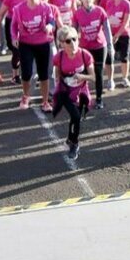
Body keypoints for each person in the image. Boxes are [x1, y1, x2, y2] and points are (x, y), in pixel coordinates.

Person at [50, 27, 96, 160]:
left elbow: (93, 77)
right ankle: (75, 145)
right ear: (61, 43)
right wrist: (63, 86)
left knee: (77, 118)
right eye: (68, 41)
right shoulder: (58, 57)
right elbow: (57, 76)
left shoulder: (85, 55)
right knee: (75, 116)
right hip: (66, 91)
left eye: (75, 39)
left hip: (81, 91)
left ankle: (70, 138)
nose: (73, 43)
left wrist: (82, 77)